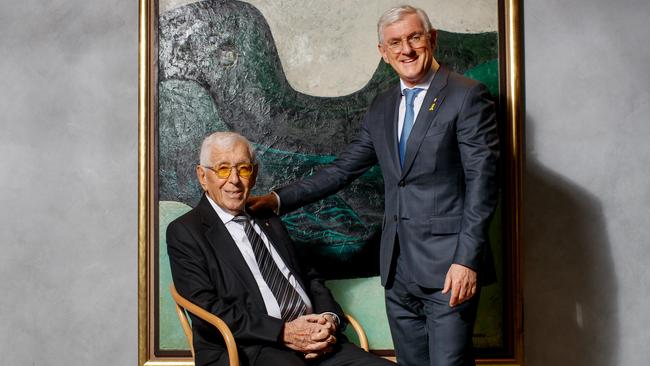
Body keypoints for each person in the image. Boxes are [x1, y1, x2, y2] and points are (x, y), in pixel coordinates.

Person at [248, 5, 499, 366]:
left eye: (414, 38)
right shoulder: (382, 107)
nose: (406, 50)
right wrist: (275, 200)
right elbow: (342, 170)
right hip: (398, 272)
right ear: (383, 52)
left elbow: (483, 182)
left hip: (449, 270)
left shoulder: (466, 96)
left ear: (432, 40)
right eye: (394, 42)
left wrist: (467, 260)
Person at [167, 132, 394, 366]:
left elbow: (310, 278)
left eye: (243, 169)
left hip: (317, 342)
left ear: (253, 175)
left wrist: (329, 319)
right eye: (223, 169)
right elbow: (208, 308)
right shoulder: (186, 231)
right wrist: (284, 332)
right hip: (249, 349)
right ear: (203, 176)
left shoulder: (268, 218)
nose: (234, 179)